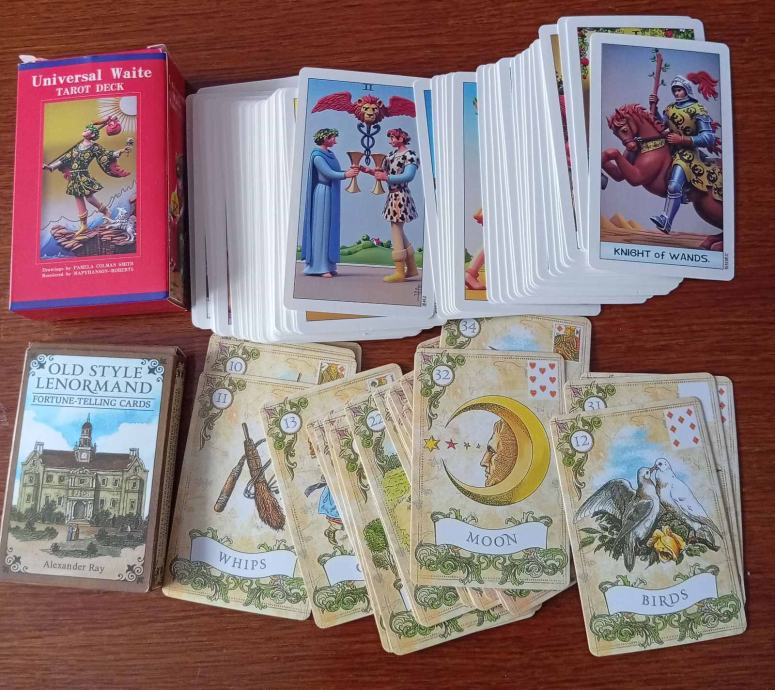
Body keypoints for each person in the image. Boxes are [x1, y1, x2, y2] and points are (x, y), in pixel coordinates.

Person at [648, 74, 720, 234]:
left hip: (687, 153)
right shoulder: (670, 108)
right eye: (674, 90)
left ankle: (666, 220)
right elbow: (661, 126)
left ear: (687, 90)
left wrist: (682, 139)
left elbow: (708, 138)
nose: (676, 93)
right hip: (670, 149)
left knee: (674, 185)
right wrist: (655, 107)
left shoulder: (698, 109)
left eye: (679, 90)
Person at [43, 120, 132, 241]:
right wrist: (50, 167)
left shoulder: (94, 147)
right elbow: (65, 159)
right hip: (74, 176)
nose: (85, 130)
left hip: (83, 175)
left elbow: (106, 155)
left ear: (93, 134)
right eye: (86, 128)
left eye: (88, 129)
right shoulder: (77, 147)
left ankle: (106, 211)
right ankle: (83, 225)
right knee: (78, 199)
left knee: (89, 198)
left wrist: (120, 151)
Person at [362, 128, 420, 283]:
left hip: (401, 195)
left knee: (396, 229)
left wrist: (387, 177)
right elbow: (382, 172)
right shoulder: (391, 155)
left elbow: (408, 176)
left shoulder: (410, 155)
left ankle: (400, 271)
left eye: (393, 137)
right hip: (393, 196)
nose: (391, 140)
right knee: (398, 231)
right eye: (390, 138)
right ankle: (412, 268)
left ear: (402, 138)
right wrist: (368, 171)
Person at [300, 128, 359, 277]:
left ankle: (328, 264)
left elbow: (335, 171)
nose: (335, 141)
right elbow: (329, 173)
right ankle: (318, 267)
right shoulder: (318, 156)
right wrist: (346, 174)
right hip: (323, 193)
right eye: (332, 138)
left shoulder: (330, 154)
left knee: (328, 229)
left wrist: (348, 171)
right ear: (325, 138)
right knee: (321, 228)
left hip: (330, 193)